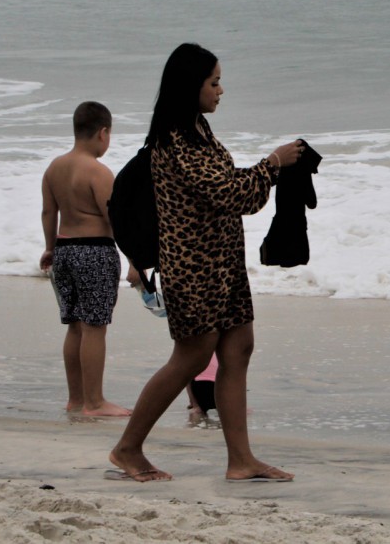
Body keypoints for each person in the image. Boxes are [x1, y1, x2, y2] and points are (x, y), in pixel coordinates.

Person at [108, 42, 304, 483]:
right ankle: (127, 447)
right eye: (214, 82)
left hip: (223, 266)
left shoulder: (196, 128)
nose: (221, 90)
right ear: (189, 86)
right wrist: (273, 163)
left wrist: (270, 168)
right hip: (193, 269)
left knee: (238, 349)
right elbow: (233, 193)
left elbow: (228, 191)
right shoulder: (175, 139)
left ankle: (241, 460)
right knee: (190, 358)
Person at [40, 101, 132, 418]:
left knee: (75, 326)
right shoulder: (98, 171)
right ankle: (95, 402)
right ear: (102, 133)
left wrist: (49, 247)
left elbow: (48, 211)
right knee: (95, 326)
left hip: (63, 251)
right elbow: (115, 219)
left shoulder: (54, 168)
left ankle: (75, 399)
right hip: (94, 251)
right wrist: (135, 261)